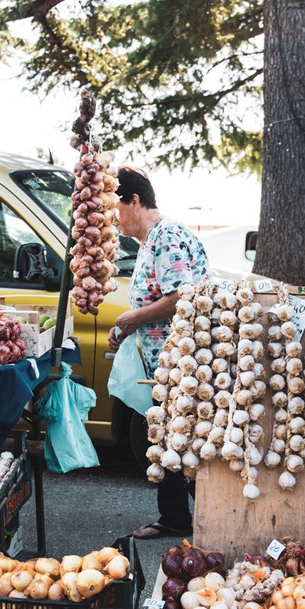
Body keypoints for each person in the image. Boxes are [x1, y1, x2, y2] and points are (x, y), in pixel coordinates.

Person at [105, 165, 210, 539]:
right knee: (164, 437)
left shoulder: (167, 236)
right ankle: (176, 518)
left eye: (115, 208)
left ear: (134, 201)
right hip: (163, 360)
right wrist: (128, 328)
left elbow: (181, 296)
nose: (113, 220)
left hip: (183, 359)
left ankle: (218, 516)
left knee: (177, 437)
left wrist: (133, 318)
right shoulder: (150, 241)